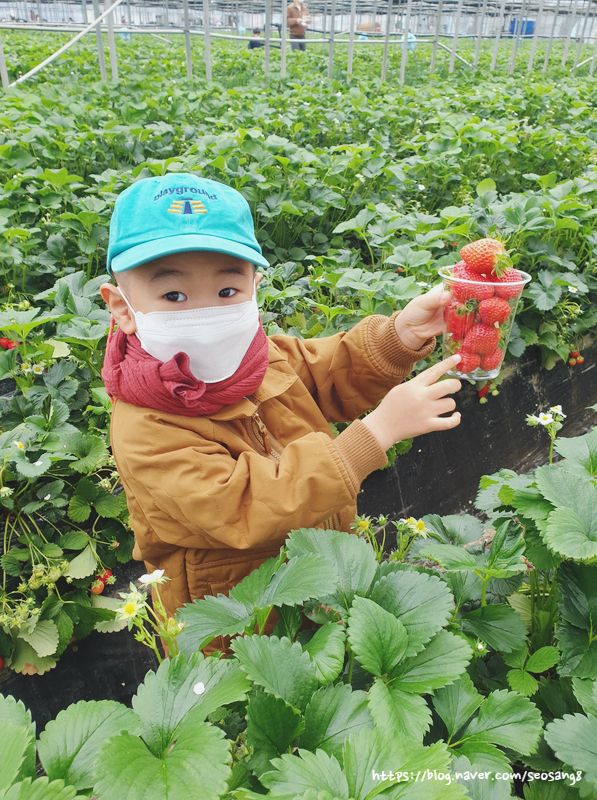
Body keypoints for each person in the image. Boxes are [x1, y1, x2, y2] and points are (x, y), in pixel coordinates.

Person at [99, 172, 462, 655]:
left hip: (316, 576)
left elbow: (327, 370)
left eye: (227, 291)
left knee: (329, 677)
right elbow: (244, 504)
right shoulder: (146, 426)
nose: (204, 313)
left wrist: (400, 335)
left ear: (254, 285)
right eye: (174, 296)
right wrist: (374, 435)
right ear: (121, 307)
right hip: (236, 621)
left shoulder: (258, 355)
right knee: (260, 709)